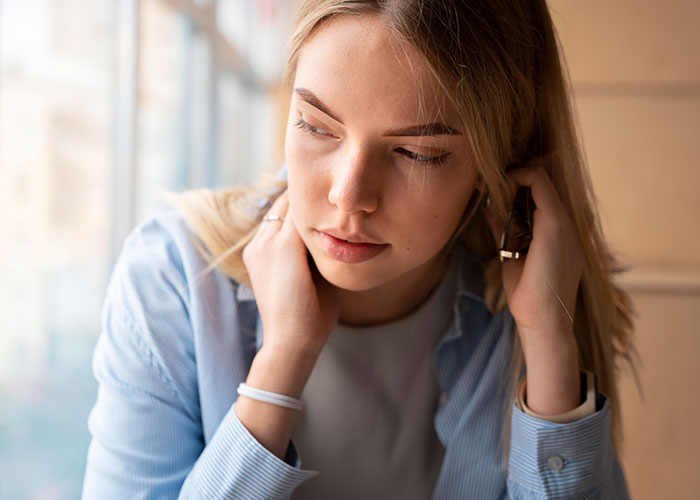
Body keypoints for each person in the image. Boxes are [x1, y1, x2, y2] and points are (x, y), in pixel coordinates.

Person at [82, 1, 636, 498]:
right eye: (315, 125)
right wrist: (282, 362)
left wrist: (548, 340)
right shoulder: (173, 280)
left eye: (416, 153)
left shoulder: (532, 300)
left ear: (497, 166)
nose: (348, 196)